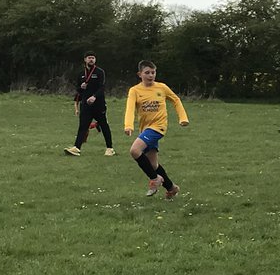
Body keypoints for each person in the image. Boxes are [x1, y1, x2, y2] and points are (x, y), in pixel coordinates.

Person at [124, 60, 189, 199]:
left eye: (153, 72)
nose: (150, 75)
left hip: (158, 127)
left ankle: (154, 179)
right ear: (139, 74)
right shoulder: (135, 90)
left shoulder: (162, 87)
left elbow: (176, 100)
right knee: (153, 165)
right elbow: (130, 107)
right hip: (145, 129)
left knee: (134, 150)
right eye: (147, 73)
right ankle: (172, 188)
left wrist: (183, 118)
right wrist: (128, 125)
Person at [64, 53, 115, 157]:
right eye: (89, 58)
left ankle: (110, 148)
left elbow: (102, 88)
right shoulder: (81, 74)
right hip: (86, 105)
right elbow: (78, 90)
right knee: (83, 126)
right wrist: (81, 88)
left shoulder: (100, 72)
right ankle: (77, 148)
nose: (91, 60)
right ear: (85, 60)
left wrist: (94, 96)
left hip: (99, 104)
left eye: (93, 58)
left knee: (104, 124)